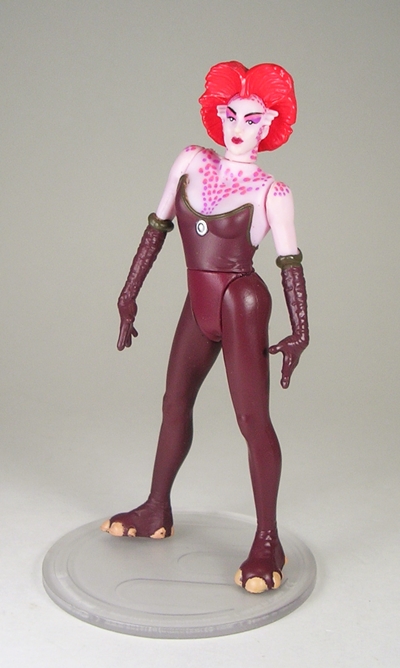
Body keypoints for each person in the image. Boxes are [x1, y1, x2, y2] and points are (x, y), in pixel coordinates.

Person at [101, 61, 309, 594]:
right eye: (231, 114)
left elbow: (289, 262)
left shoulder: (272, 192)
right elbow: (158, 226)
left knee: (252, 420)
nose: (238, 127)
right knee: (174, 402)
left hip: (241, 303)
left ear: (270, 124)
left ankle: (268, 540)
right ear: (218, 113)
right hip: (198, 302)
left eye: (252, 119)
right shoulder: (191, 160)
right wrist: (128, 293)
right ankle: (156, 506)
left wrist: (301, 329)